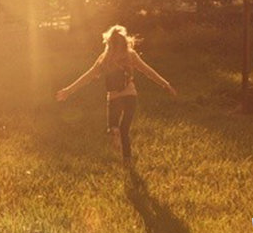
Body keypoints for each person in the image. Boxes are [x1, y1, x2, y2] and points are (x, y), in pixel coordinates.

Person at [56, 25, 177, 165]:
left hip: (114, 97)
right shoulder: (130, 55)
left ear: (109, 42)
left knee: (113, 127)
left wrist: (68, 90)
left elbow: (88, 76)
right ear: (125, 41)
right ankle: (127, 160)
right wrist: (165, 84)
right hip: (130, 95)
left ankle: (114, 132)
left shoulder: (105, 58)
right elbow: (148, 71)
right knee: (124, 129)